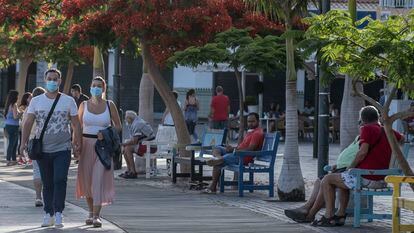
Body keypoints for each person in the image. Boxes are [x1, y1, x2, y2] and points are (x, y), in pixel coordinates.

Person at [308, 106, 403, 227]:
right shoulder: (387, 130)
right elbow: (403, 138)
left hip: (368, 178)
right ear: (377, 117)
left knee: (327, 179)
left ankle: (329, 215)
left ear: (362, 120)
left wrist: (350, 168)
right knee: (340, 180)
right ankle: (340, 215)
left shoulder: (368, 129)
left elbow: (362, 152)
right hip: (381, 179)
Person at [20, 68, 82, 228]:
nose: (53, 82)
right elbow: (27, 123)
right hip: (43, 150)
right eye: (50, 79)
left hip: (63, 148)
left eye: (56, 79)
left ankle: (59, 212)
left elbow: (76, 123)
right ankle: (49, 213)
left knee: (60, 179)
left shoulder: (68, 101)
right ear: (45, 80)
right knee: (47, 183)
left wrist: (77, 142)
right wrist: (23, 143)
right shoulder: (36, 101)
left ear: (60, 81)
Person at [76, 76, 122, 227]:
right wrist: (75, 144)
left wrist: (107, 132)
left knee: (98, 180)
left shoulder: (110, 105)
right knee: (87, 181)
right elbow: (77, 126)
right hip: (86, 145)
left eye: (99, 86)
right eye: (93, 85)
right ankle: (90, 212)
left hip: (103, 147)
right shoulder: (83, 105)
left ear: (103, 89)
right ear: (90, 87)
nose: (96, 88)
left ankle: (96, 215)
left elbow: (118, 126)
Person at [284, 134, 360, 223]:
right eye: (360, 123)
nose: (361, 125)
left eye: (362, 122)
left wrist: (348, 167)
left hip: (350, 170)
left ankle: (310, 214)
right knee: (319, 180)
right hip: (342, 168)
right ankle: (307, 208)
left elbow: (361, 155)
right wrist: (338, 165)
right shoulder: (359, 137)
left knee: (325, 181)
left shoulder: (367, 138)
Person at [203, 112, 264, 193]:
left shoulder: (257, 133)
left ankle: (213, 186)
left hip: (243, 157)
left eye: (253, 121)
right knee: (217, 148)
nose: (250, 123)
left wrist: (234, 150)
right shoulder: (250, 132)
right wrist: (233, 148)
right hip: (237, 153)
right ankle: (219, 158)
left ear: (258, 121)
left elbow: (250, 149)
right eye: (249, 121)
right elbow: (242, 147)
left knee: (219, 162)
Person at [22, 87, 45, 207]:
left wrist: (23, 143)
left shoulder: (28, 110)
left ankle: (38, 197)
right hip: (46, 141)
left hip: (33, 142)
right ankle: (48, 196)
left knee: (37, 170)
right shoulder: (46, 107)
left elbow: (24, 126)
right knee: (47, 170)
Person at [120, 110, 155, 179]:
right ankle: (129, 170)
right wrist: (125, 144)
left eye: (126, 118)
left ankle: (133, 172)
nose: (125, 120)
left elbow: (134, 141)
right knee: (125, 148)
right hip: (145, 144)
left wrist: (123, 143)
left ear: (130, 118)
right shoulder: (135, 122)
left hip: (150, 146)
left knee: (127, 148)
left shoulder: (137, 124)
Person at [4, 90, 21, 166]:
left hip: (8, 126)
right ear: (15, 97)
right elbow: (15, 116)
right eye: (17, 96)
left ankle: (14, 160)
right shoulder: (14, 105)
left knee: (14, 143)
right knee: (12, 144)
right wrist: (21, 114)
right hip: (13, 126)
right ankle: (8, 160)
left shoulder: (8, 104)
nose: (18, 97)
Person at [17, 92, 32, 165]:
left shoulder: (30, 106)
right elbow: (19, 116)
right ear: (26, 98)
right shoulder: (23, 106)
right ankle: (21, 158)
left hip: (28, 127)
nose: (31, 99)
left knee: (27, 143)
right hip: (22, 127)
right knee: (23, 142)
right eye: (30, 97)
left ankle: (26, 158)